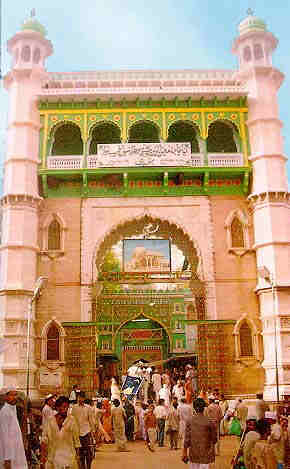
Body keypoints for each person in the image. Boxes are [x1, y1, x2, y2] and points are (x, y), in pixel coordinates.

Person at [40, 395, 80, 469]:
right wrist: (42, 459)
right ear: (57, 407)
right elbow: (44, 439)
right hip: (53, 457)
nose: (65, 409)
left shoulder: (72, 420)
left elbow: (76, 441)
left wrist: (77, 458)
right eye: (63, 407)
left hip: (68, 458)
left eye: (67, 407)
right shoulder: (51, 420)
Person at [182, 398, 217, 469]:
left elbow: (187, 439)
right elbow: (214, 439)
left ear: (194, 408)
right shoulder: (209, 422)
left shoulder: (190, 421)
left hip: (193, 454)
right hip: (206, 455)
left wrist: (184, 453)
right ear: (204, 408)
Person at [0, 388, 28, 469]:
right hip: (9, 457)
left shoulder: (13, 409)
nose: (14, 397)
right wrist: (7, 459)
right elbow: (4, 437)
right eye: (12, 395)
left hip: (17, 453)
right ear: (6, 396)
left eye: (16, 395)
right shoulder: (5, 412)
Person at [71, 391, 95, 469]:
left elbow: (91, 421)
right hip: (77, 433)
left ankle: (88, 467)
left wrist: (92, 433)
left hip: (86, 432)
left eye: (81, 397)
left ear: (84, 398)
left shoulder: (88, 408)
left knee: (88, 454)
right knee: (80, 454)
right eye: (79, 397)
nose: (80, 399)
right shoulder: (74, 408)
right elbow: (72, 420)